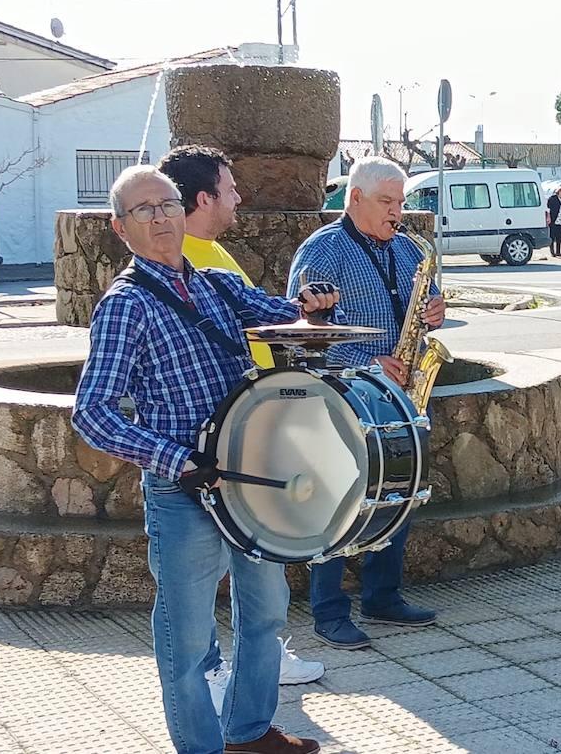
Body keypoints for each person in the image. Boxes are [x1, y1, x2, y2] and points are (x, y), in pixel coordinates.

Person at [72, 165, 337, 754]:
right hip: (184, 489)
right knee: (187, 639)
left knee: (267, 612)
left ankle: (248, 733)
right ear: (121, 228)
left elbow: (281, 313)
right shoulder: (126, 305)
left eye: (167, 205)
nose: (161, 217)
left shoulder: (217, 283)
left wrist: (312, 309)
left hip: (248, 481)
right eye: (144, 210)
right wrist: (174, 460)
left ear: (183, 211)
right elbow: (91, 413)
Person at [158, 145, 326, 708]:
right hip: (206, 452)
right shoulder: (187, 258)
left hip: (240, 439)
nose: (239, 198)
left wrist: (304, 312)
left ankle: (249, 708)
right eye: (230, 190)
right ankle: (214, 690)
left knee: (255, 582)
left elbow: (265, 314)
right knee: (196, 596)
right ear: (203, 198)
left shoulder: (212, 261)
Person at [286, 156, 446, 649]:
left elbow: (428, 302)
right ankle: (329, 610)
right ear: (354, 198)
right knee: (339, 497)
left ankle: (382, 595)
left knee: (400, 490)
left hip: (402, 393)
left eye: (400, 202)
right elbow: (299, 331)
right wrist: (369, 360)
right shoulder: (323, 252)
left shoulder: (405, 249)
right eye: (386, 202)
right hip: (345, 393)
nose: (397, 212)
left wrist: (436, 311)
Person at [546, 185, 561, 257]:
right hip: (554, 220)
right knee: (552, 237)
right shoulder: (553, 199)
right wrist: (548, 217)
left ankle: (558, 251)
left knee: (559, 237)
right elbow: (548, 209)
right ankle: (552, 252)